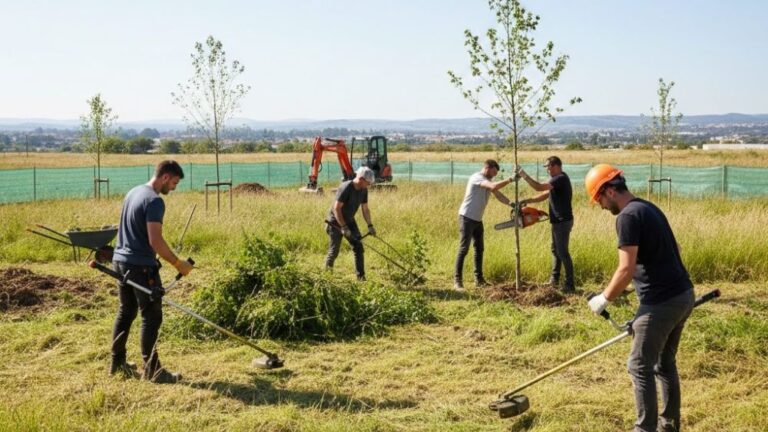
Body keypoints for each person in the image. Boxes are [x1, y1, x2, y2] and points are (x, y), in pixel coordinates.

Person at [585, 163, 694, 432]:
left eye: (598, 198)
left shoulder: (626, 217)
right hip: (683, 294)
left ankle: (644, 429)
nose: (599, 206)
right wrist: (634, 287)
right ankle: (668, 426)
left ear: (609, 190)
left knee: (638, 365)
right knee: (664, 363)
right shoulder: (648, 207)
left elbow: (626, 268)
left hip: (662, 302)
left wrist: (604, 298)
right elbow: (673, 249)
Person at [110, 160, 193, 384]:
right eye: (174, 182)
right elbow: (155, 240)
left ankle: (117, 363)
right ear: (165, 177)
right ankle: (153, 371)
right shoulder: (155, 201)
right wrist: (178, 263)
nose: (174, 187)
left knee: (126, 312)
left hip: (120, 262)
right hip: (141, 267)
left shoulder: (134, 192)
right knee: (151, 316)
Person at [517, 156, 575, 293]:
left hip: (562, 221)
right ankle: (554, 280)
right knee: (555, 250)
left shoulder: (560, 178)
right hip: (558, 221)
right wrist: (528, 200)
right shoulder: (558, 180)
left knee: (563, 253)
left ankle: (570, 284)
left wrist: (523, 174)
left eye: (547, 167)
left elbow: (538, 187)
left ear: (555, 166)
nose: (547, 170)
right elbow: (544, 194)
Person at [454, 159, 514, 290]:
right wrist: (510, 180)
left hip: (477, 219)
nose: (494, 176)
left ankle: (479, 280)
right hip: (467, 217)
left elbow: (498, 195)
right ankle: (457, 281)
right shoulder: (477, 178)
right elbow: (493, 187)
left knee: (479, 249)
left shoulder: (488, 181)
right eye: (493, 172)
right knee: (464, 249)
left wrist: (511, 203)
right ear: (487, 168)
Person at [325, 166, 376, 281]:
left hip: (350, 220)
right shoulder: (346, 187)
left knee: (358, 247)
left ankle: (361, 278)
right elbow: (336, 209)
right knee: (334, 251)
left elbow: (365, 209)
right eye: (368, 183)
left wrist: (370, 225)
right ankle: (327, 277)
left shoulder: (364, 190)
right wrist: (343, 227)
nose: (369, 185)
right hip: (335, 221)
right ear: (361, 179)